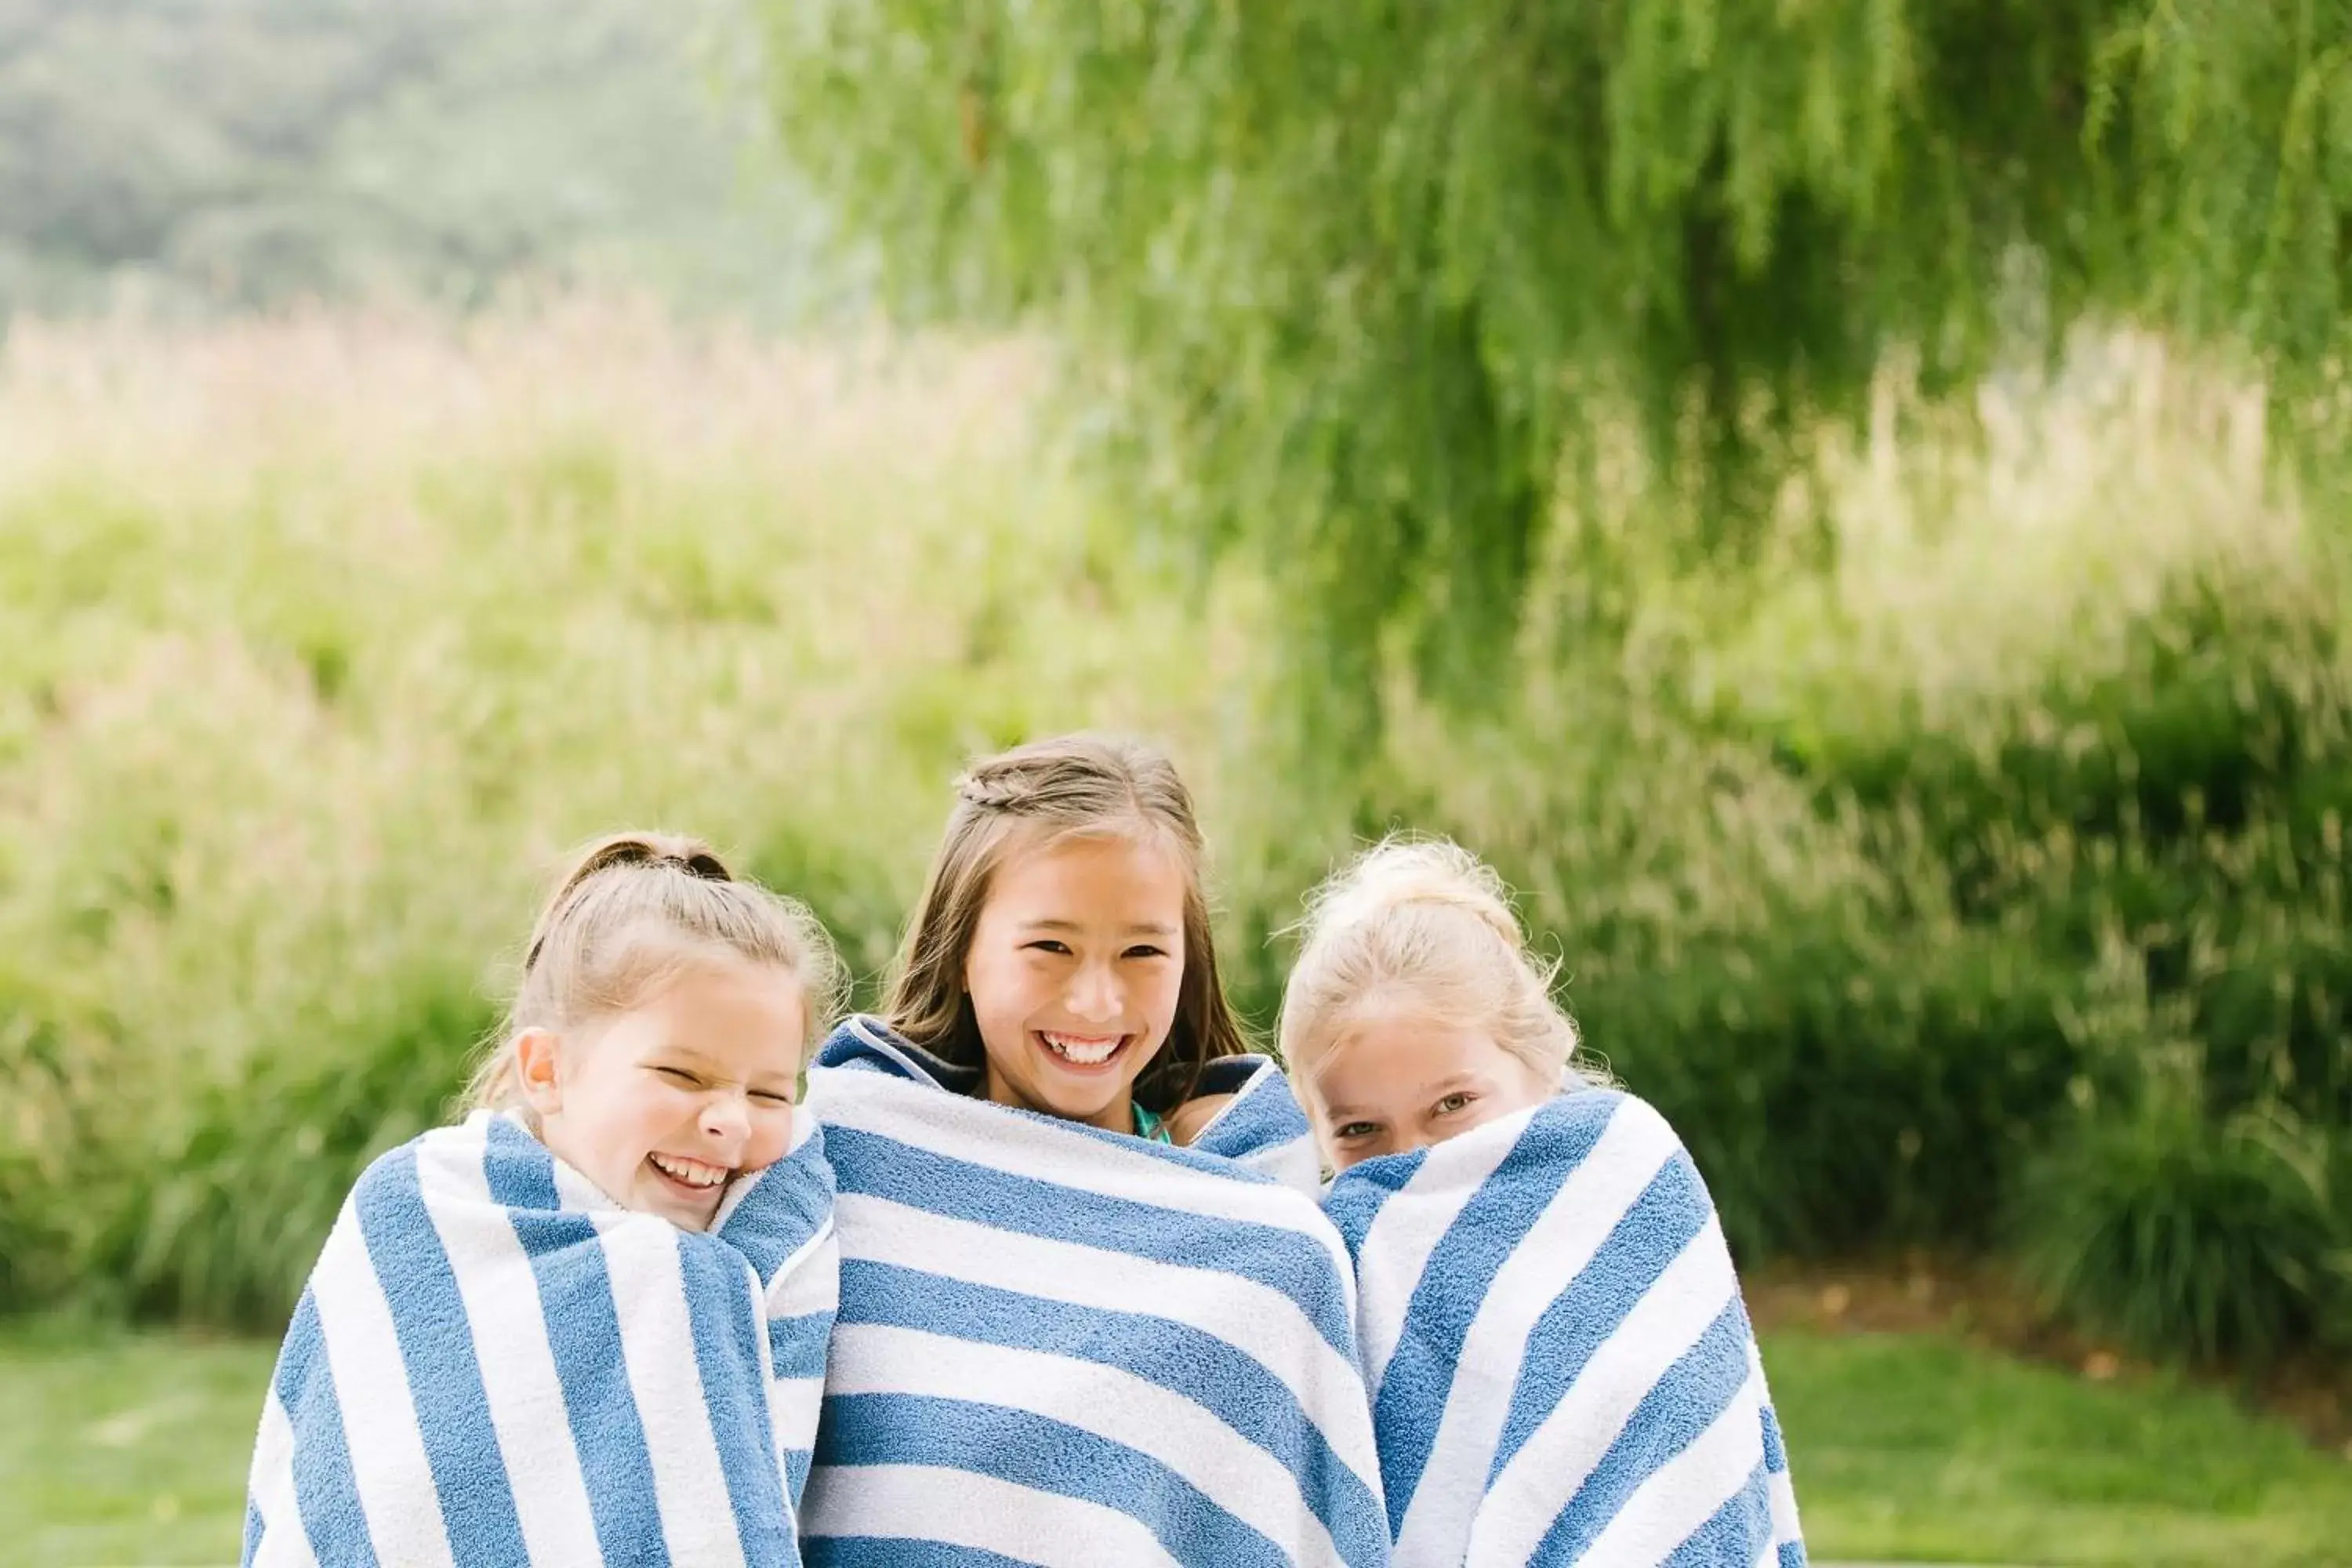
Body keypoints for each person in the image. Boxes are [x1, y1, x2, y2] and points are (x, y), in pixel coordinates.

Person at [798, 734, 1386, 1566]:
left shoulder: (1269, 1250)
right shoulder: (849, 1170)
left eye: (1143, 951)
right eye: (1051, 947)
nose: (1097, 999)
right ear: (964, 948)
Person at [242, 833, 843, 1568]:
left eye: (768, 1093)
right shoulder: (418, 1212)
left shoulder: (756, 1265)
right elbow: (352, 1491)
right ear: (547, 1070)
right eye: (683, 1077)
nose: (730, 1120)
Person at [1290, 837, 1807, 1566]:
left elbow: (1689, 1450)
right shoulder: (1327, 1263)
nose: (1416, 1162)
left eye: (1453, 1104)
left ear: (1538, 1062)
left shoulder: (1631, 1180)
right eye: (1361, 1131)